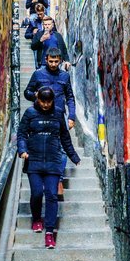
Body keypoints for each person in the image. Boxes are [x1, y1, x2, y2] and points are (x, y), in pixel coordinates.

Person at [17, 86, 80, 248]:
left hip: (53, 160)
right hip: (34, 160)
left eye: (48, 101)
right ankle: (37, 218)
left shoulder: (58, 113)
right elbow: (21, 134)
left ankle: (50, 232)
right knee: (37, 193)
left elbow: (65, 137)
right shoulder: (30, 113)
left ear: (52, 100)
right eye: (43, 101)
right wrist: (22, 150)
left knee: (52, 195)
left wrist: (73, 156)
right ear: (37, 99)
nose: (45, 105)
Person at [24, 48, 75, 197]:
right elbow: (27, 92)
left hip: (59, 117)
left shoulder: (65, 76)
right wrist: (35, 96)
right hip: (40, 115)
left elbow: (70, 97)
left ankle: (59, 180)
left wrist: (72, 116)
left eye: (56, 61)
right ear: (46, 59)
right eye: (51, 61)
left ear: (60, 61)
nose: (53, 64)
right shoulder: (38, 74)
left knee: (62, 149)